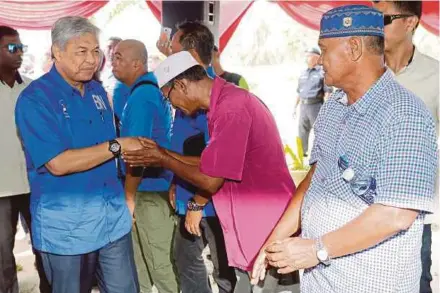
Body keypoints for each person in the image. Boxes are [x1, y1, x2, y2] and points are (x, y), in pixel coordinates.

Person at [251, 5, 437, 293]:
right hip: (322, 282)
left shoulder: (404, 115)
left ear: (353, 48)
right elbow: (315, 179)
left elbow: (396, 213)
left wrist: (317, 249)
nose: (320, 58)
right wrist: (274, 240)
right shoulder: (333, 108)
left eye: (324, 49)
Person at [123, 51, 297, 293]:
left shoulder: (231, 109)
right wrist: (161, 152)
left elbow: (210, 179)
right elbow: (212, 163)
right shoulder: (224, 104)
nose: (172, 106)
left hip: (262, 224)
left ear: (181, 85)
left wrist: (162, 158)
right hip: (248, 223)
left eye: (168, 98)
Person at [15, 16, 142, 293]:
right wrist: (117, 146)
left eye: (95, 51)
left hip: (111, 221)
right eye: (81, 51)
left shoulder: (97, 91)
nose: (91, 59)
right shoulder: (35, 99)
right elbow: (58, 163)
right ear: (57, 52)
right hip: (68, 230)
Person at [157, 21, 237, 293]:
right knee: (186, 260)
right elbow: (186, 149)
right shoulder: (183, 87)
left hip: (211, 202)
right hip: (189, 192)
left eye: (174, 49)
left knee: (224, 269)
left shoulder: (214, 95)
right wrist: (175, 182)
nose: (169, 52)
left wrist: (197, 203)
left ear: (190, 54)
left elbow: (217, 164)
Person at [372, 2, 439, 292]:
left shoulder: (435, 77)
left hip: (412, 212)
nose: (374, 27)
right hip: (358, 208)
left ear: (410, 23)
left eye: (383, 19)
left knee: (417, 282)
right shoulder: (360, 73)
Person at [112, 39, 178, 293]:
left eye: (119, 57)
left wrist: (129, 197)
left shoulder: (141, 96)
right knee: (140, 264)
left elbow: (135, 152)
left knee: (159, 266)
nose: (112, 62)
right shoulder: (149, 89)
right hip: (150, 188)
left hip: (147, 192)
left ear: (136, 63)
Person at [0, 25, 50, 293]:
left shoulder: (33, 90)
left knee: (46, 251)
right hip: (2, 188)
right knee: (3, 260)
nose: (19, 53)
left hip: (36, 184)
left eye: (21, 47)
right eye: (11, 48)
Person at [294, 47, 332, 156]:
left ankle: (320, 157)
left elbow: (327, 93)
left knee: (319, 133)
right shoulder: (303, 72)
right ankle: (302, 155)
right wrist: (294, 107)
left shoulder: (323, 72)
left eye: (309, 56)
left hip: (316, 106)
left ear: (316, 57)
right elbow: (298, 92)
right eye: (306, 56)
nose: (306, 58)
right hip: (303, 106)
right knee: (302, 132)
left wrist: (327, 110)